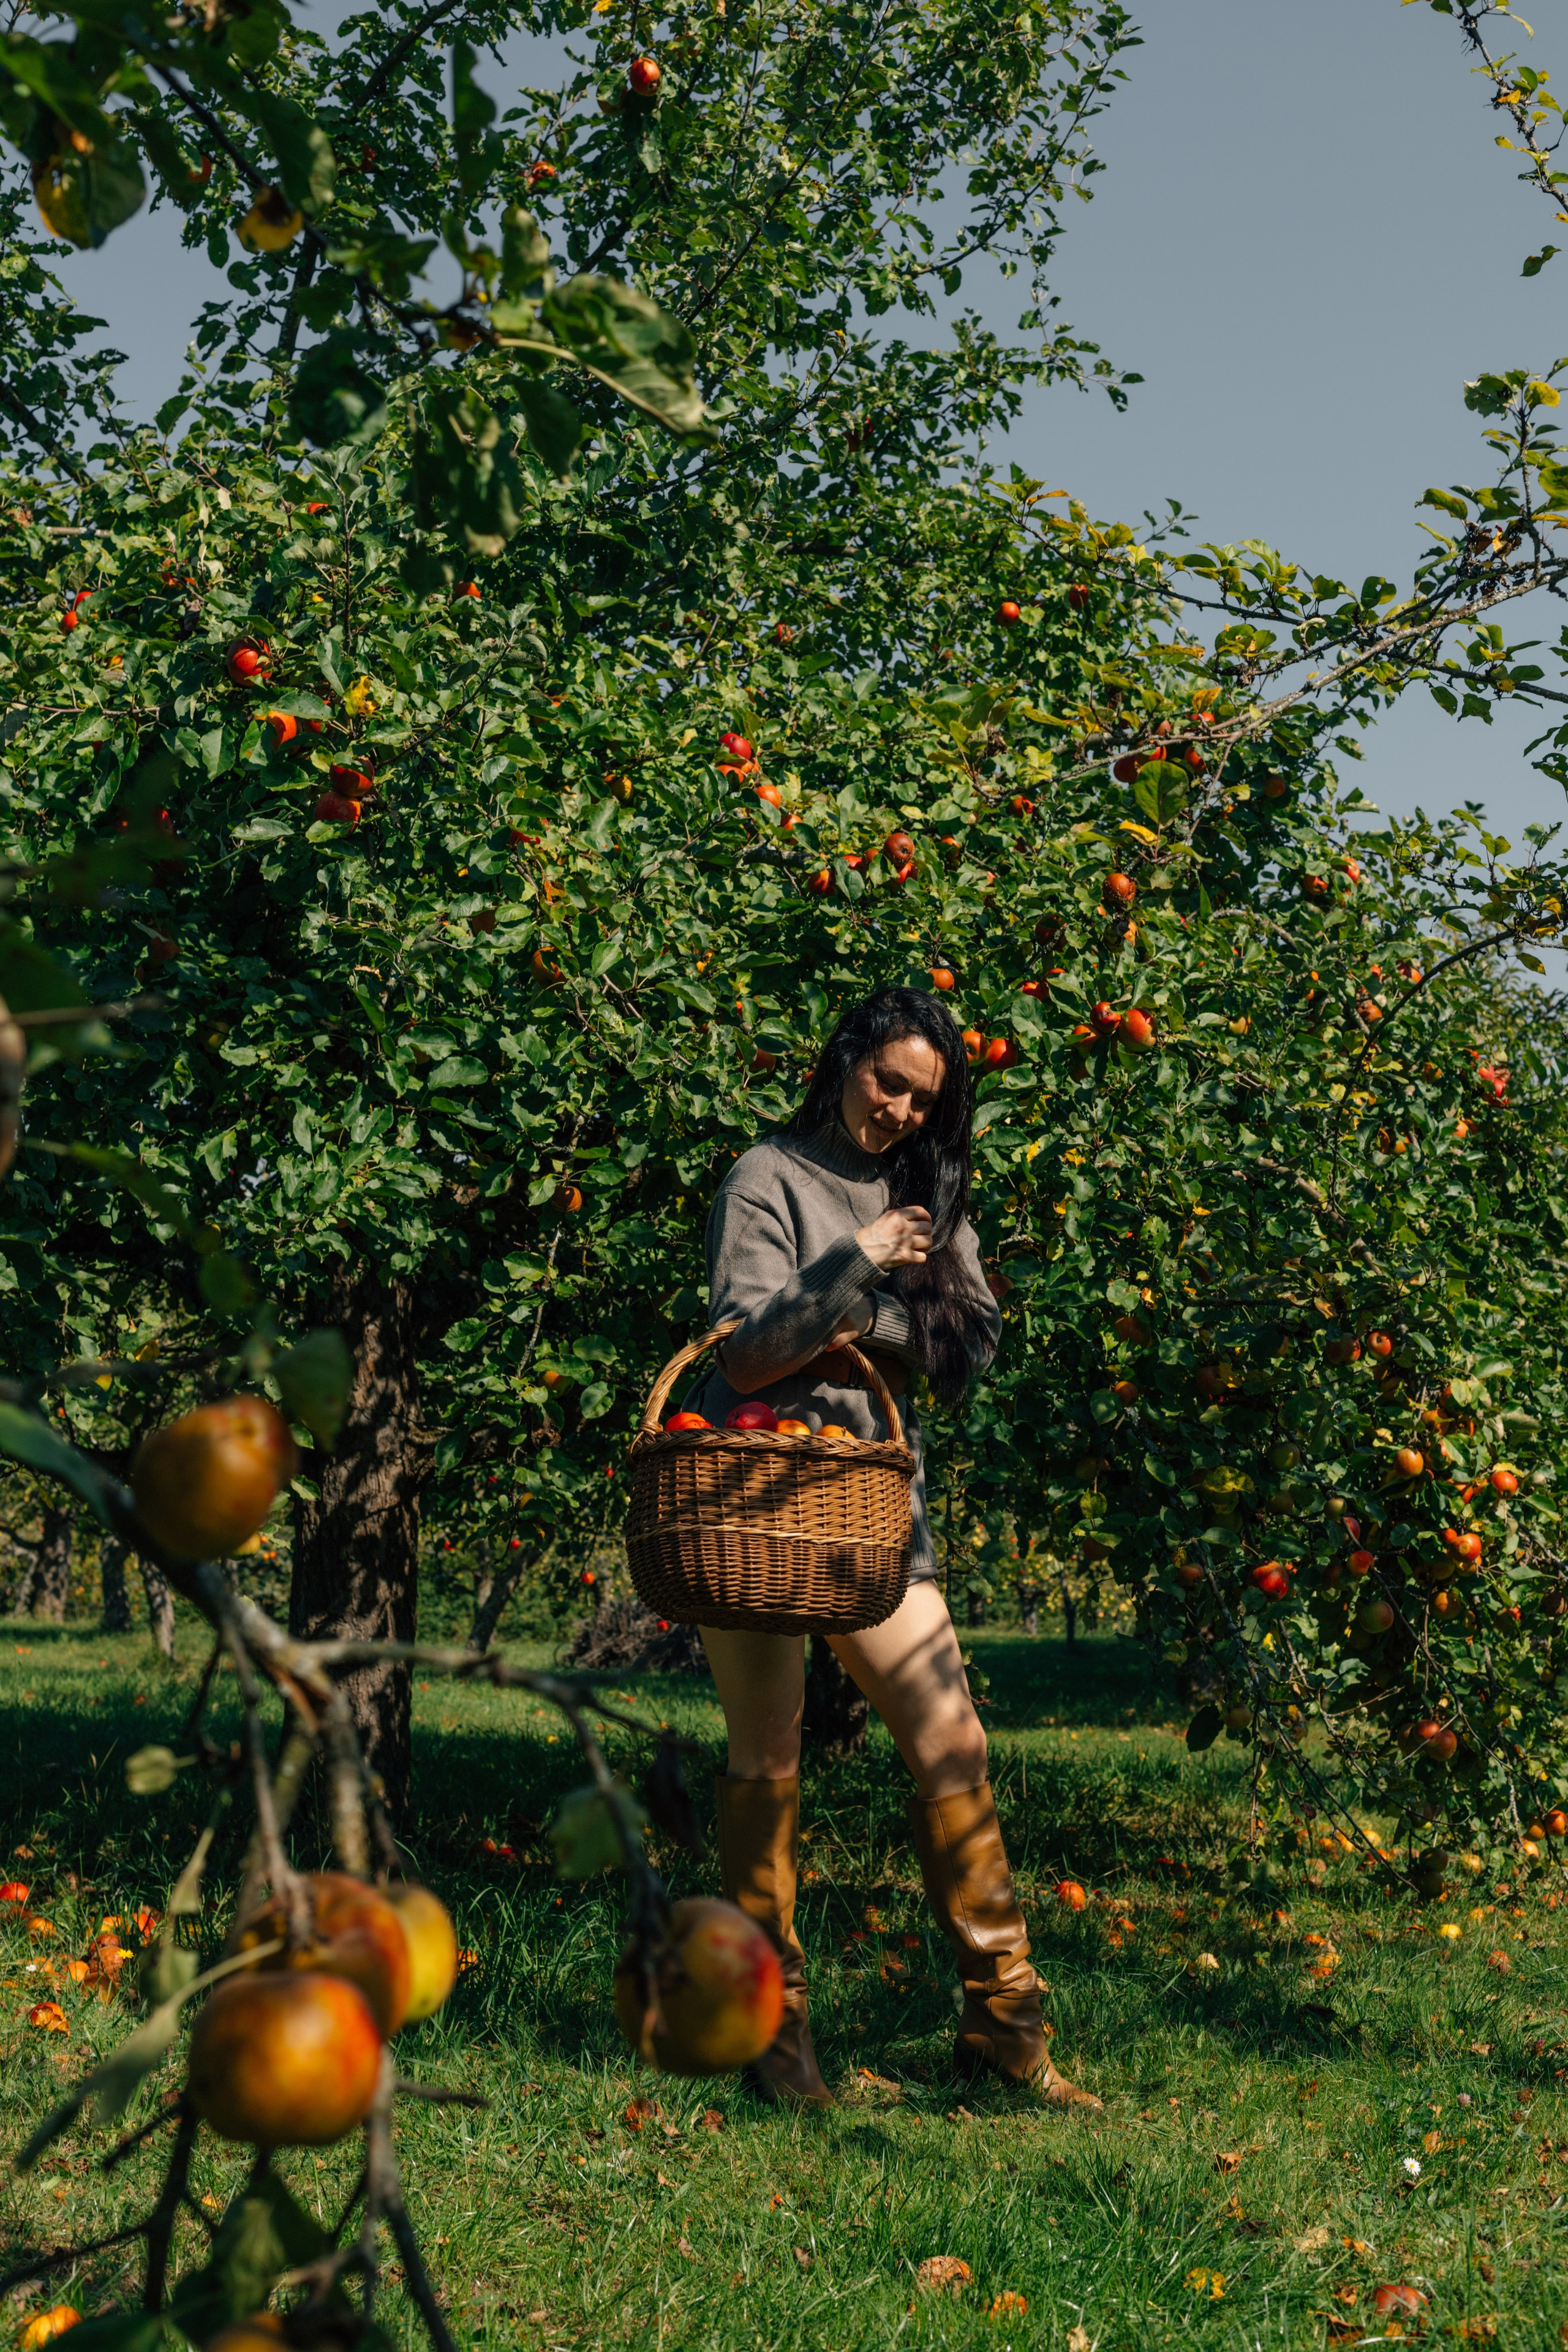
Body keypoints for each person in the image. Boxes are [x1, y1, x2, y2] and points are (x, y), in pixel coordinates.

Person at [681, 985, 1099, 2111]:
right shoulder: (765, 1179)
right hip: (756, 1498)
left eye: (929, 1099)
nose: (906, 1112)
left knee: (952, 1745)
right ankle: (776, 2051)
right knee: (767, 1761)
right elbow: (752, 1351)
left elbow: (965, 1351)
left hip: (873, 1511)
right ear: (845, 1061)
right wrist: (858, 1259)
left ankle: (1007, 2033)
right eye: (890, 1084)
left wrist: (861, 1314)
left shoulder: (933, 1192)